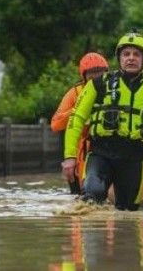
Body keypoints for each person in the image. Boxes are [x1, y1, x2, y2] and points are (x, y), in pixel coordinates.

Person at [63, 31, 143, 210]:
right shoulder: (98, 85)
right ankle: (92, 235)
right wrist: (70, 157)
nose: (131, 58)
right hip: (100, 154)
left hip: (135, 159)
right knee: (92, 197)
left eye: (136, 54)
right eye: (126, 54)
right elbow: (77, 119)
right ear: (119, 58)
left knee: (128, 213)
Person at [51, 52, 109, 194]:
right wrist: (80, 108)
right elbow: (56, 123)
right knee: (78, 196)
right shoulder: (75, 93)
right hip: (80, 154)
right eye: (92, 74)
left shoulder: (114, 90)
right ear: (84, 76)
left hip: (105, 151)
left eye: (99, 73)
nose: (96, 78)